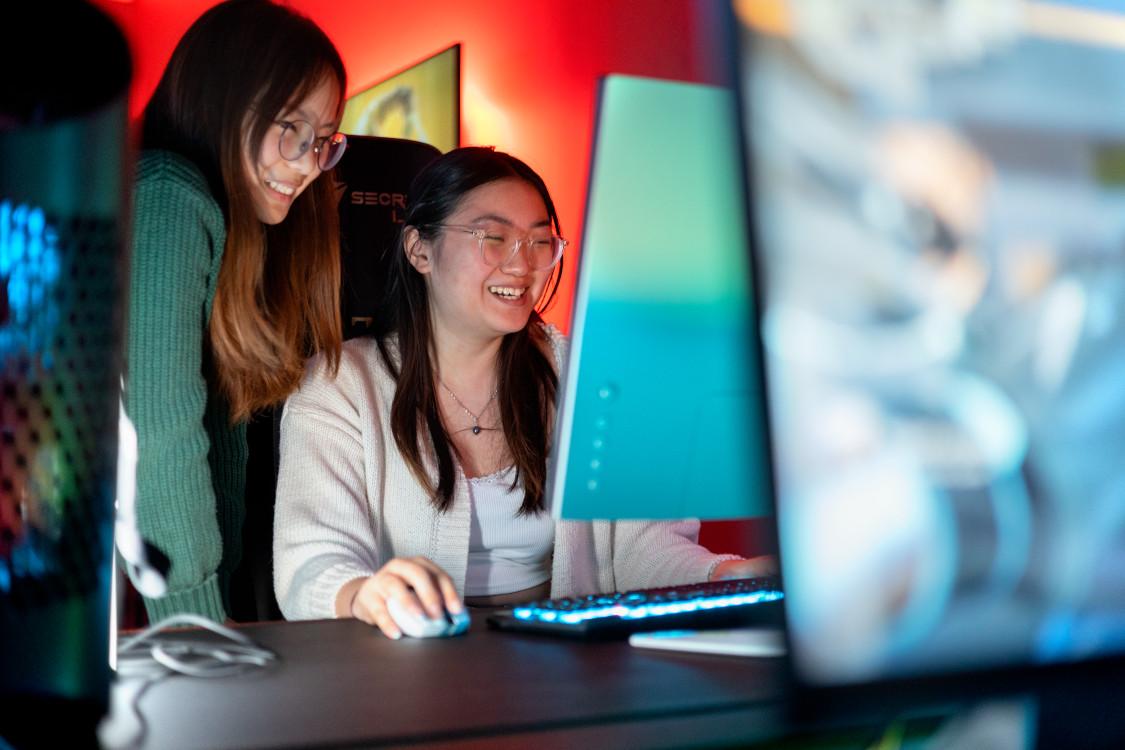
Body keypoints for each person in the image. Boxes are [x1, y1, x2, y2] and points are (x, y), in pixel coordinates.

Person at [273, 146, 775, 638]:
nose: (522, 264)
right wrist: (365, 593)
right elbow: (312, 561)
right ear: (419, 249)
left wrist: (723, 576)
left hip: (566, 656)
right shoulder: (338, 387)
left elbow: (643, 547)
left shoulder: (591, 374)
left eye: (540, 242)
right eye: (493, 237)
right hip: (407, 662)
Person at [126, 0, 347, 623]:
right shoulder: (169, 196)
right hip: (156, 612)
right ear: (222, 101)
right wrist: (195, 626)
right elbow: (157, 435)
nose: (308, 163)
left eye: (324, 140)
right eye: (291, 128)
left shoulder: (236, 227)